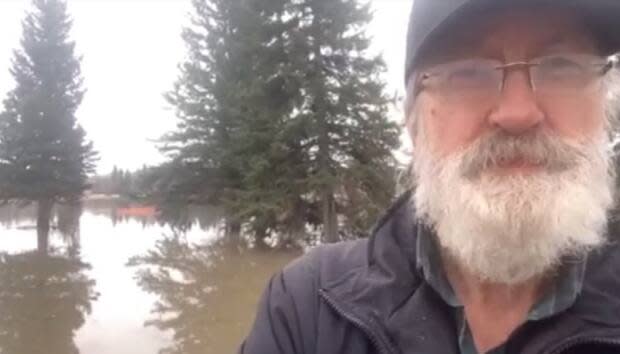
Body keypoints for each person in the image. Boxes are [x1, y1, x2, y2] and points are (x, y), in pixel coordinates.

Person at [239, 0, 620, 353]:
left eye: (561, 67)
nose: (518, 113)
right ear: (413, 123)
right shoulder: (307, 309)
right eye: (468, 74)